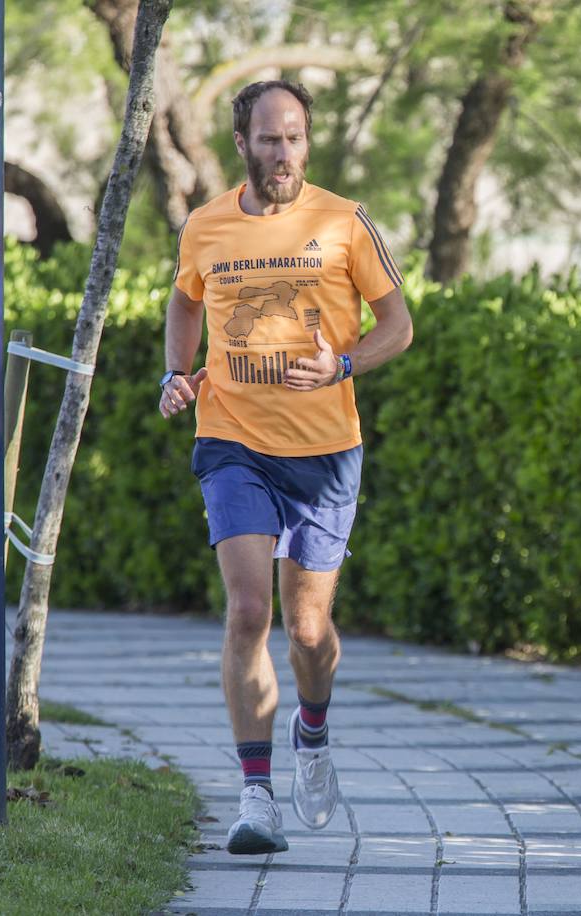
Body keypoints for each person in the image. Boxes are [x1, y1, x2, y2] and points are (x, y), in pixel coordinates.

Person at [159, 79, 413, 855]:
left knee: (308, 630)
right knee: (247, 613)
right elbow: (185, 302)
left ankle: (313, 729)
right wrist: (178, 370)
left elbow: (398, 326)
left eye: (295, 136)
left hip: (326, 453)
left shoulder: (344, 222)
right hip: (232, 439)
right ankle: (255, 794)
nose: (283, 152)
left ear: (308, 140)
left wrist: (343, 364)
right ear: (242, 144)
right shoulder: (205, 226)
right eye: (269, 138)